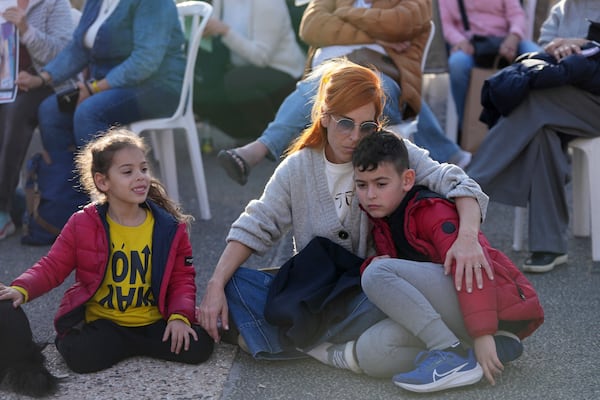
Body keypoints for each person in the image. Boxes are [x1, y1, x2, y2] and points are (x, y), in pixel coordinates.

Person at [198, 59, 491, 379]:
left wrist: (467, 239)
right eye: (345, 123)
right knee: (234, 284)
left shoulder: (391, 151)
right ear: (324, 116)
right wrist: (214, 285)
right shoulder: (298, 168)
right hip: (320, 296)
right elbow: (257, 224)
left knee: (376, 320)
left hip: (376, 296)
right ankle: (318, 342)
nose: (355, 136)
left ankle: (295, 342)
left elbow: (459, 183)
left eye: (367, 126)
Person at [0, 129, 214, 373]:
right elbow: (52, 266)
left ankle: (144, 344)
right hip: (107, 325)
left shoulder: (168, 227)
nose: (140, 177)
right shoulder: (83, 223)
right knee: (80, 357)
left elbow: (182, 279)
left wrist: (179, 317)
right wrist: (22, 288)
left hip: (154, 321)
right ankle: (112, 345)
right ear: (103, 182)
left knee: (200, 346)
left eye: (143, 169)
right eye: (127, 172)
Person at [352, 130, 544, 392]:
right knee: (371, 352)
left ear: (407, 179)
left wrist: (483, 332)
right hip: (452, 313)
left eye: (381, 184)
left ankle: (449, 352)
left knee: (375, 274)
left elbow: (473, 269)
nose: (370, 195)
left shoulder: (432, 210)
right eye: (362, 185)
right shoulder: (381, 220)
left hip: (483, 301)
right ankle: (469, 356)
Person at [216, 0, 472, 186]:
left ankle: (258, 150)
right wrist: (375, 33)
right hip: (331, 72)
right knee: (324, 84)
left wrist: (343, 16)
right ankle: (262, 152)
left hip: (383, 76)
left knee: (325, 87)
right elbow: (311, 26)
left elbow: (401, 24)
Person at [466, 0, 600, 273]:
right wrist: (555, 48)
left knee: (532, 103)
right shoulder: (561, 9)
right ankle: (549, 244)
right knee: (541, 130)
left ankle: (464, 190)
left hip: (592, 102)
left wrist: (583, 43)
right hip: (565, 99)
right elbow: (545, 57)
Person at [16, 0, 186, 153]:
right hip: (104, 87)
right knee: (52, 109)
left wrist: (94, 88)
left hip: (157, 87)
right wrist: (41, 79)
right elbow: (78, 49)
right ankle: (66, 186)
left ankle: (103, 185)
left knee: (88, 112)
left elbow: (145, 61)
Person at [0, 0, 74, 240]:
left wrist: (26, 30)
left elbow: (62, 54)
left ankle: (2, 209)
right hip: (6, 82)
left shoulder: (54, 3)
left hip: (48, 83)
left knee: (16, 111)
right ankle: (16, 202)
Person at [194, 0, 306, 140]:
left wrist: (224, 31)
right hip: (240, 69)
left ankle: (272, 139)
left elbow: (261, 57)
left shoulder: (268, 3)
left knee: (237, 81)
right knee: (197, 92)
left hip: (284, 74)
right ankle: (247, 138)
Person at [439, 0, 540, 130]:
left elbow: (517, 15)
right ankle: (469, 129)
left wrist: (514, 37)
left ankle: (534, 124)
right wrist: (460, 41)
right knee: (457, 64)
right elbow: (445, 24)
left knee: (538, 58)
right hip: (471, 47)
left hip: (507, 41)